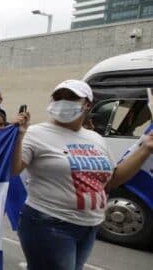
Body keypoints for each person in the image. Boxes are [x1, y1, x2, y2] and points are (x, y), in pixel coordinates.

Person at [13, 79, 153, 270]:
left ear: (87, 104)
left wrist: (145, 149)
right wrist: (18, 137)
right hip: (49, 223)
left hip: (89, 225)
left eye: (72, 98)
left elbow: (113, 179)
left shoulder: (95, 138)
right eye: (58, 97)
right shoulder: (36, 133)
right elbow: (13, 170)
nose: (63, 101)